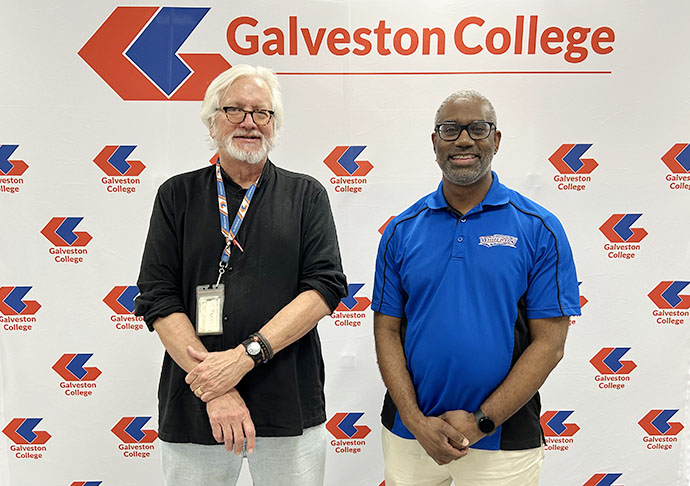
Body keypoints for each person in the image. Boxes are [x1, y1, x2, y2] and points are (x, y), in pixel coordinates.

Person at [134, 64, 347, 486]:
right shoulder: (176, 195)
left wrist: (243, 357)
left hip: (287, 398)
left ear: (274, 125)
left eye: (262, 113)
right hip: (196, 401)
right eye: (235, 110)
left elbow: (324, 287)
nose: (250, 123)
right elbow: (157, 297)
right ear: (212, 122)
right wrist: (216, 387)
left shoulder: (306, 195)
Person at [372, 89, 581, 486]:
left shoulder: (539, 228)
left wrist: (481, 422)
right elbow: (386, 329)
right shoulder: (401, 230)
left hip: (503, 440)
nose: (464, 140)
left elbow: (550, 345)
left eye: (477, 129)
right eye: (450, 130)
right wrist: (417, 423)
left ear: (496, 140)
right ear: (435, 143)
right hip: (410, 436)